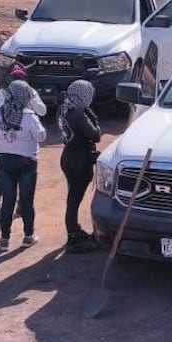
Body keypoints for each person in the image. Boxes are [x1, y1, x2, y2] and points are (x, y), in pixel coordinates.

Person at [0, 66, 47, 251]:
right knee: (26, 201)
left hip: (4, 160)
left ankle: (4, 240)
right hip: (27, 162)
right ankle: (28, 237)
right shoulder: (29, 117)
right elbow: (41, 136)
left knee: (8, 202)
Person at [59, 79, 101, 254]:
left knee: (72, 199)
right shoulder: (78, 113)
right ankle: (73, 236)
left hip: (69, 157)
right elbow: (96, 134)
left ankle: (74, 229)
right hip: (79, 160)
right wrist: (90, 114)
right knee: (74, 201)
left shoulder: (65, 108)